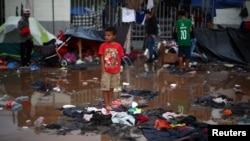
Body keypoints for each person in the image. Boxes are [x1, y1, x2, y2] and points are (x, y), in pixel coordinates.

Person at [98, 27, 124, 111]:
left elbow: (119, 58)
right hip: (106, 71)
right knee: (105, 88)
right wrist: (103, 69)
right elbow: (102, 58)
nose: (106, 37)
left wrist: (119, 69)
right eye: (105, 35)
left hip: (115, 71)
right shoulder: (103, 46)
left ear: (114, 36)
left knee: (111, 88)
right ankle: (106, 104)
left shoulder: (118, 46)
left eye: (108, 35)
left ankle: (110, 102)